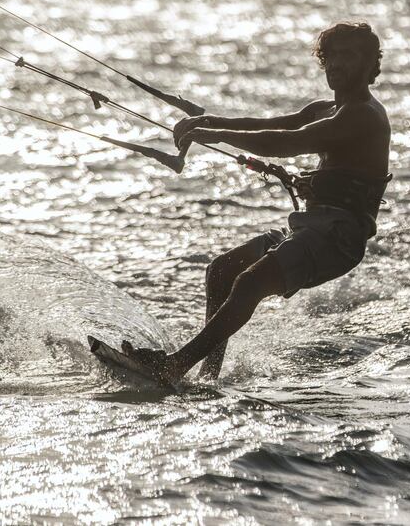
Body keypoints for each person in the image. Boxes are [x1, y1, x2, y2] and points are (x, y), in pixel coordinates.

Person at [123, 22, 391, 384]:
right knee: (221, 271)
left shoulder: (362, 114)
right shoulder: (323, 108)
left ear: (370, 65)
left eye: (349, 56)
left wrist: (215, 134)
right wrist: (211, 119)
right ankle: (207, 376)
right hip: (313, 227)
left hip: (338, 238)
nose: (337, 64)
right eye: (330, 57)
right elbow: (272, 123)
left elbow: (284, 142)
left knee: (249, 283)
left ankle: (173, 366)